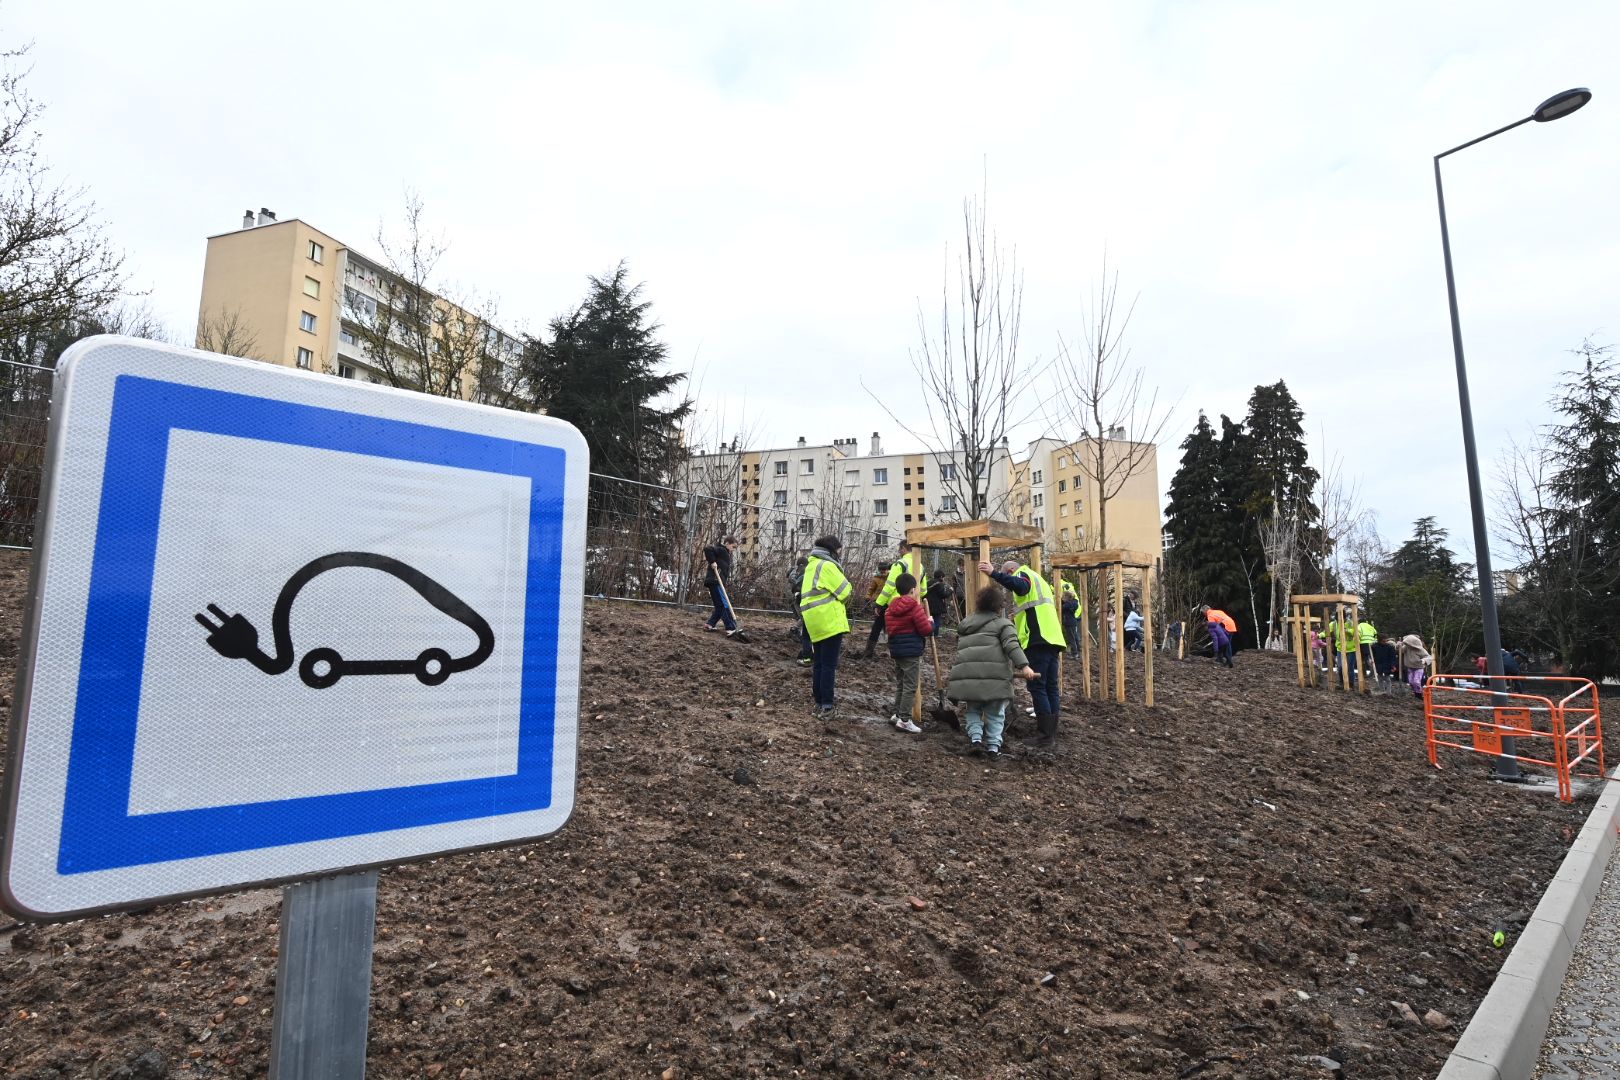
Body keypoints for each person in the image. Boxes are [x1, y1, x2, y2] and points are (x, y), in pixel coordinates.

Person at [979, 557, 1066, 748]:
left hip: (1038, 639)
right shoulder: (1039, 579)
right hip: (1052, 638)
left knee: (1038, 687)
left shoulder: (1022, 574)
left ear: (1010, 571)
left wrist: (994, 573)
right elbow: (1033, 607)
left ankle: (1044, 736)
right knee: (1051, 687)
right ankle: (1051, 734)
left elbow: (1020, 586)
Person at [947, 584, 1037, 760]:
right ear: (999, 606)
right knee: (995, 713)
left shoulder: (966, 625)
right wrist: (1025, 666)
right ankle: (994, 747)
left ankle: (975, 740)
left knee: (973, 709)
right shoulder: (1003, 625)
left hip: (968, 677)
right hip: (995, 680)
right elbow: (1012, 646)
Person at [800, 536, 853, 716]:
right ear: (832, 550)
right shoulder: (827, 566)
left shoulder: (811, 565)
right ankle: (827, 705)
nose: (840, 554)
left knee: (819, 664)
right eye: (839, 551)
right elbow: (846, 591)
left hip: (814, 622)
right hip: (829, 620)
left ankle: (819, 701)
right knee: (829, 665)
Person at [855, 540, 927, 660]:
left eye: (900, 549)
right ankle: (902, 654)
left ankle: (868, 652)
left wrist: (879, 603)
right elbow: (924, 589)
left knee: (878, 627)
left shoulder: (900, 564)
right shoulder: (920, 566)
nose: (899, 551)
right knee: (905, 630)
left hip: (893, 604)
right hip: (912, 603)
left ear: (904, 548)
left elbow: (889, 586)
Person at [884, 572, 934, 734]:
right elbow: (925, 630)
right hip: (911, 650)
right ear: (913, 590)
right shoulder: (914, 607)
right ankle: (905, 720)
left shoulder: (891, 608)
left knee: (901, 683)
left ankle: (897, 714)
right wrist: (931, 623)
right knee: (910, 685)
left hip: (896, 650)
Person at [701, 535, 740, 636]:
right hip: (715, 581)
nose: (733, 549)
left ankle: (710, 624)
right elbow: (707, 548)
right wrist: (712, 562)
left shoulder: (725, 553)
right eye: (733, 546)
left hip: (716, 582)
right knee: (724, 604)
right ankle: (730, 628)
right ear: (727, 543)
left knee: (719, 605)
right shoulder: (722, 550)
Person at [791, 556, 812, 665]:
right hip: (803, 601)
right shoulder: (805, 572)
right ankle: (808, 654)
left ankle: (807, 655)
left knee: (806, 626)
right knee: (805, 622)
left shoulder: (806, 572)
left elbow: (794, 583)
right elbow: (794, 583)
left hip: (805, 603)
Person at [1398, 633, 1432, 698]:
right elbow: (1400, 651)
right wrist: (1398, 646)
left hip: (1418, 668)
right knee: (1411, 682)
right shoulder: (1406, 648)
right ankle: (1416, 692)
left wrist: (1424, 660)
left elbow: (1429, 657)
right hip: (1410, 667)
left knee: (1416, 681)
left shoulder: (1420, 649)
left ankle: (1419, 693)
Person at [1060, 577, 1081, 657]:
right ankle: (1077, 651)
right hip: (1071, 622)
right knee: (1074, 637)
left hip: (1069, 623)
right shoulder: (1073, 603)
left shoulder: (1070, 604)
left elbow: (1063, 607)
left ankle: (1075, 653)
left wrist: (1062, 601)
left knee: (1071, 639)